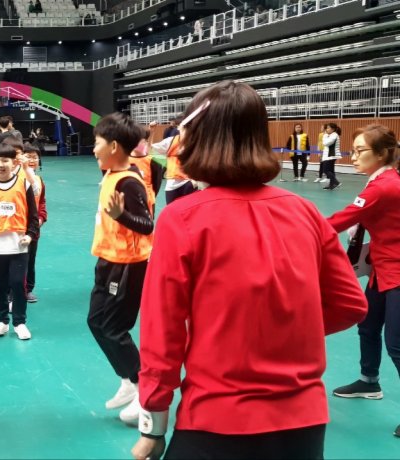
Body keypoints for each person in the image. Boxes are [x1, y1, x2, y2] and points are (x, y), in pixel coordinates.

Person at [130, 81, 368, 460]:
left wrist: (153, 428)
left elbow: (163, 336)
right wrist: (278, 328)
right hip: (303, 424)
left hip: (216, 419)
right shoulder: (305, 212)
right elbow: (349, 304)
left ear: (199, 137)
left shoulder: (182, 219)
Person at [326, 125, 400, 437]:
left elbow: (338, 221)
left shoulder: (383, 187)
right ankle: (369, 381)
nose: (353, 156)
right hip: (381, 269)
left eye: (360, 151)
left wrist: (292, 228)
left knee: (397, 344)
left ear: (382, 154)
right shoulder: (380, 181)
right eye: (353, 150)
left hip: (396, 271)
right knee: (368, 325)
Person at [87, 113, 155, 423]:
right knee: (96, 322)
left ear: (113, 146)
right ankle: (128, 380)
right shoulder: (111, 174)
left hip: (129, 265)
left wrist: (121, 216)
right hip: (107, 260)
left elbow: (147, 224)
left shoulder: (130, 181)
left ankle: (145, 390)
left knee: (114, 328)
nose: (93, 149)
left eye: (97, 143)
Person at [0, 144, 39, 340]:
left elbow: (33, 215)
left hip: (19, 245)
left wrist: (30, 234)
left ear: (14, 163)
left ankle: (19, 323)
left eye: (5, 161)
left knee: (18, 284)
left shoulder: (23, 184)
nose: (0, 164)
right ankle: (2, 321)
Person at [22, 144, 47, 303]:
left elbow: (42, 203)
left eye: (35, 157)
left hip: (33, 230)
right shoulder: (16, 178)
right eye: (28, 156)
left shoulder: (39, 180)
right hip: (16, 228)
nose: (32, 160)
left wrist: (40, 219)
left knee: (30, 261)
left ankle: (28, 289)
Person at [321, 122, 342, 190]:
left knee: (326, 170)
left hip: (331, 155)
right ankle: (332, 184)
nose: (326, 129)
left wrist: (325, 135)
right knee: (331, 170)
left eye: (328, 128)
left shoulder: (334, 135)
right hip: (329, 155)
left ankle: (336, 182)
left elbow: (326, 143)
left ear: (332, 129)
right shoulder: (330, 135)